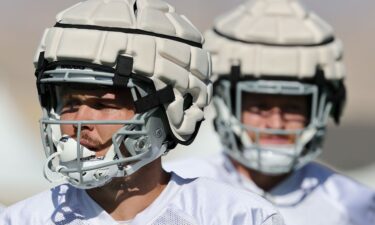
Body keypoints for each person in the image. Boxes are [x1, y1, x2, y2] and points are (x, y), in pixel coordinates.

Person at [0, 0, 285, 224]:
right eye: (70, 104)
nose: (79, 121)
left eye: (102, 104)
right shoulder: (23, 220)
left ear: (169, 110)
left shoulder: (237, 218)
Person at [166, 0, 375, 224]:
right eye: (260, 106)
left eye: (292, 108)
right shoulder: (177, 191)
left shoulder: (353, 205)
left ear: (320, 110)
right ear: (226, 104)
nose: (276, 123)